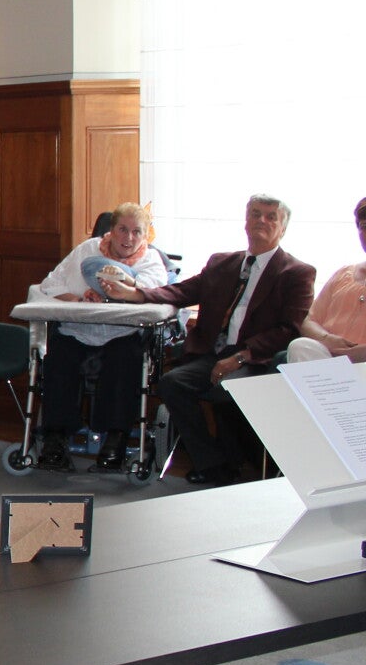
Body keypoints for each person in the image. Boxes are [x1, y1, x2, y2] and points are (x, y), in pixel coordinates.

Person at [102, 193, 315, 485]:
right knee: (172, 383)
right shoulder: (222, 263)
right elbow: (181, 292)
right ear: (246, 221)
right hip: (212, 353)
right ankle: (213, 464)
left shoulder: (297, 273)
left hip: (254, 358)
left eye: (270, 217)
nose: (261, 221)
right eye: (255, 214)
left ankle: (239, 462)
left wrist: (240, 357)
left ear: (283, 228)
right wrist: (135, 293)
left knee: (226, 389)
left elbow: (289, 329)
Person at [33, 203, 170, 471]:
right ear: (111, 230)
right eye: (122, 229)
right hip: (78, 329)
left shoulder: (151, 260)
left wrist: (125, 288)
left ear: (145, 235)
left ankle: (116, 438)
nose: (129, 238)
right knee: (58, 356)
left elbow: (155, 293)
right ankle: (55, 437)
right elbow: (51, 283)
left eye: (136, 232)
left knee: (125, 358)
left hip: (122, 333)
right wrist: (77, 299)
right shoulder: (87, 250)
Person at [287, 195, 366, 364]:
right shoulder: (343, 274)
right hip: (330, 360)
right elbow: (309, 321)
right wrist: (327, 339)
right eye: (364, 226)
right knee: (300, 346)